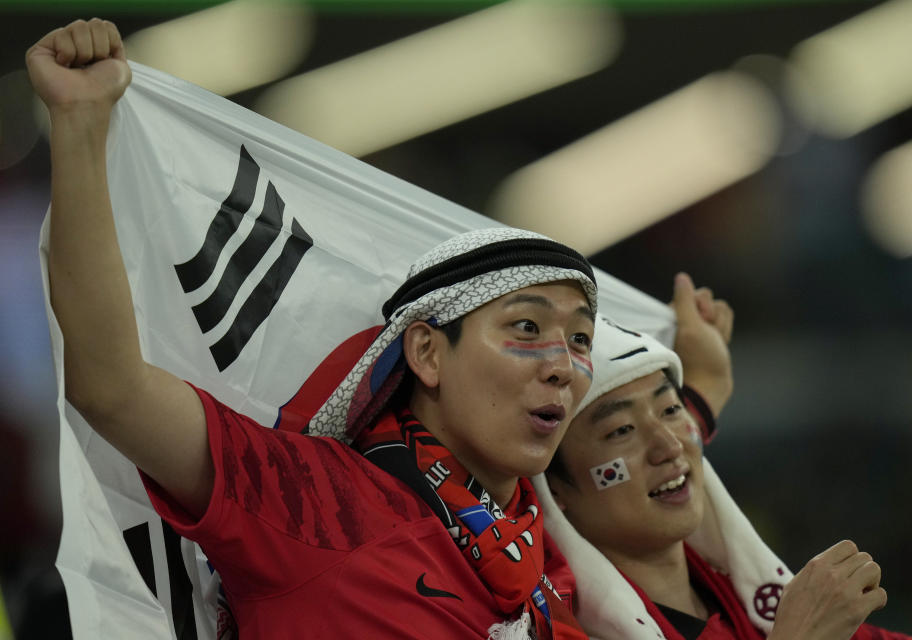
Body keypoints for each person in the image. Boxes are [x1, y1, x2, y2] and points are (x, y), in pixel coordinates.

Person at [27, 18, 600, 639]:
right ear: (428, 352)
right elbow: (110, 387)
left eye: (580, 340)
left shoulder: (553, 566)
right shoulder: (315, 500)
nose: (562, 365)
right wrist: (80, 124)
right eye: (526, 327)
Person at [539, 277, 912, 640]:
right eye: (620, 430)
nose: (669, 446)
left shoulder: (751, 605)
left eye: (671, 409)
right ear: (555, 491)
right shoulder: (556, 630)